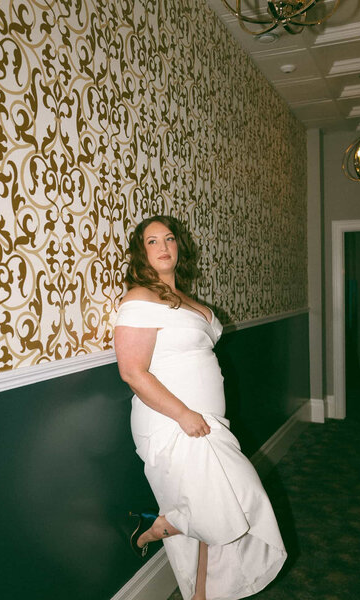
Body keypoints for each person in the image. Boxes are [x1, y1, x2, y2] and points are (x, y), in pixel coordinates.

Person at [114, 215, 287, 600]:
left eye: (169, 238)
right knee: (223, 507)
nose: (163, 247)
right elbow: (132, 372)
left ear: (179, 247)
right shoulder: (139, 299)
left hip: (210, 422)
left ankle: (199, 592)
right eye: (152, 241)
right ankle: (157, 529)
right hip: (170, 422)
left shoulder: (192, 303)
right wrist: (183, 415)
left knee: (220, 509)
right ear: (141, 253)